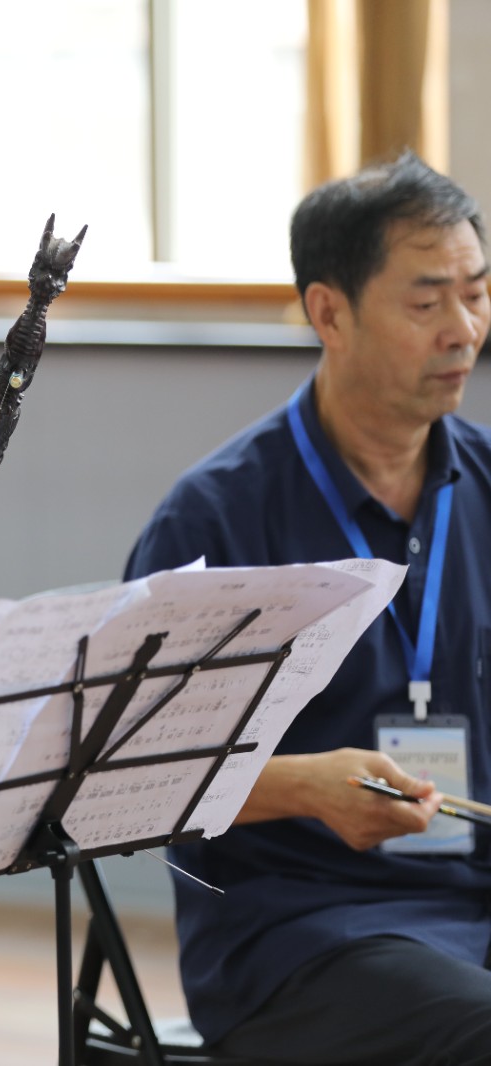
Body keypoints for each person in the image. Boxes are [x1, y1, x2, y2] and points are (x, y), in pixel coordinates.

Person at [125, 151, 491, 1065]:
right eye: (427, 302)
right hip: (300, 932)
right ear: (329, 312)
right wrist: (308, 788)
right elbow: (130, 779)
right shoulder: (214, 518)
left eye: (477, 293)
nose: (463, 330)